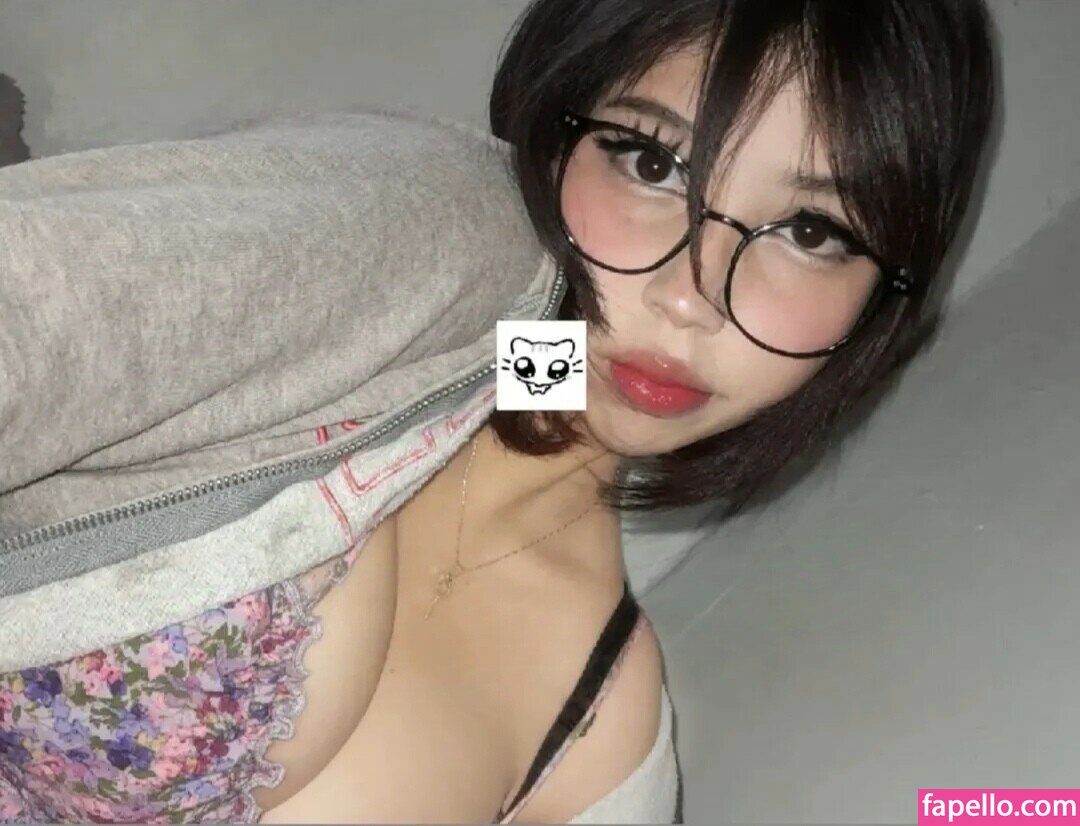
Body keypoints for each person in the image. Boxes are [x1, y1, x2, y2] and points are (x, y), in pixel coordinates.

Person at [0, 0, 995, 823]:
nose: (692, 294)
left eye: (812, 231)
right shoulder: (422, 244)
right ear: (553, 130)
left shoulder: (606, 727)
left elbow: (544, 384)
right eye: (655, 164)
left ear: (878, 304)